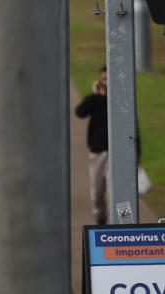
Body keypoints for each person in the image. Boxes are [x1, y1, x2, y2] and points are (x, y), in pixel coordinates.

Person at [75, 66, 109, 225]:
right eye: (104, 79)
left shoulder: (121, 100)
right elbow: (80, 112)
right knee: (97, 192)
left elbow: (133, 126)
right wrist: (94, 95)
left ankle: (123, 222)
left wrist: (137, 152)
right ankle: (101, 220)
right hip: (97, 152)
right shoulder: (95, 100)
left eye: (109, 79)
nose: (107, 82)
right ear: (100, 81)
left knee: (119, 191)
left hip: (118, 154)